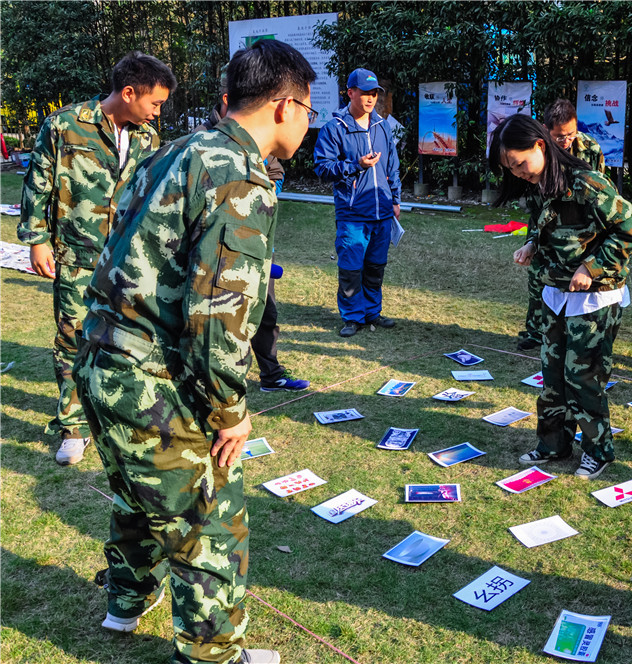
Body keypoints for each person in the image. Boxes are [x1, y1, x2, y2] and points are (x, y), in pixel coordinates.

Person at [73, 39, 316, 664]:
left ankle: (125, 602)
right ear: (287, 105)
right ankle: (212, 654)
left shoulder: (179, 149)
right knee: (208, 521)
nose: (310, 122)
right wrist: (231, 410)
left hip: (102, 360)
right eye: (310, 108)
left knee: (138, 495)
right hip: (152, 377)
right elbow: (220, 321)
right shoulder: (237, 175)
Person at [17, 51, 176, 465]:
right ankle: (72, 426)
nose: (157, 114)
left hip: (128, 260)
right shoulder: (65, 125)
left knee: (128, 339)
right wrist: (37, 240)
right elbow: (39, 183)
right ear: (128, 93)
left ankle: (117, 412)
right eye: (155, 103)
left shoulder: (147, 139)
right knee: (73, 338)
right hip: (77, 256)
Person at [490, 113, 632, 479]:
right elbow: (544, 224)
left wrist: (591, 268)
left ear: (540, 145)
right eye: (510, 167)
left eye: (519, 163)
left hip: (594, 297)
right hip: (557, 293)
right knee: (552, 374)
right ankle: (554, 444)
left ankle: (598, 450)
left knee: (583, 377)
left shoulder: (587, 182)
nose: (517, 172)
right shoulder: (541, 182)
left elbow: (629, 225)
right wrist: (530, 245)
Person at [195, 73, 310, 392]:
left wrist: (267, 189)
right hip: (214, 254)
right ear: (228, 100)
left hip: (255, 245)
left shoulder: (256, 138)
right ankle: (215, 386)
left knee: (264, 310)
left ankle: (271, 374)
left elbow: (275, 170)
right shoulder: (201, 140)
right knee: (218, 322)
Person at [314, 68, 402, 338]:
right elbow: (322, 167)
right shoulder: (334, 129)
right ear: (350, 93)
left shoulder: (382, 125)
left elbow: (392, 166)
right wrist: (356, 165)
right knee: (351, 269)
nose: (370, 98)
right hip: (352, 214)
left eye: (374, 93)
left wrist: (396, 199)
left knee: (376, 267)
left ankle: (372, 312)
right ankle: (352, 317)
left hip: (383, 212)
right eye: (365, 93)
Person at [517, 98, 606, 351]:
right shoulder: (538, 153)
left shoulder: (590, 149)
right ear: (546, 130)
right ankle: (535, 331)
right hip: (547, 221)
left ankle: (569, 331)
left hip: (579, 226)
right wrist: (532, 241)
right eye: (559, 136)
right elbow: (536, 207)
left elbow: (599, 193)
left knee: (573, 280)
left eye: (570, 134)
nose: (566, 141)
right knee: (538, 276)